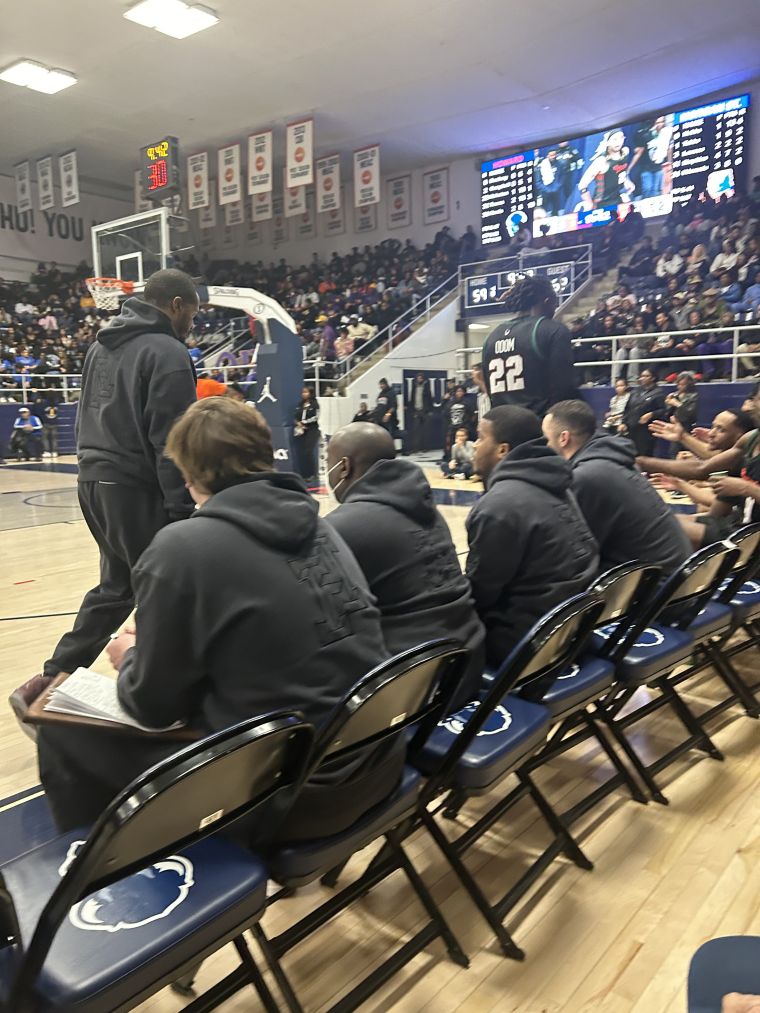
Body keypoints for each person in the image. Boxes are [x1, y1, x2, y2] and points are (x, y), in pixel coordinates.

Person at [36, 398, 401, 837]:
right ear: (268, 454)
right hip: (376, 766)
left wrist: (131, 654)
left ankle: (105, 883)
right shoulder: (323, 527)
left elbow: (150, 707)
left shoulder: (182, 547)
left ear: (188, 474)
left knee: (52, 717)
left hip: (286, 798)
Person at [12, 270, 199, 714]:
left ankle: (50, 678)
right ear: (175, 305)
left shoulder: (101, 344)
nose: (192, 324)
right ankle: (162, 694)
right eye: (191, 313)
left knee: (116, 587)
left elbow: (85, 418)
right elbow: (171, 440)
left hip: (92, 482)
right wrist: (181, 511)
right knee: (169, 587)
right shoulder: (168, 351)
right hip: (136, 487)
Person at [325, 421, 485, 707]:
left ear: (344, 467)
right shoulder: (425, 506)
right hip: (467, 658)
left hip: (417, 686)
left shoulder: (343, 526)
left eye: (329, 462)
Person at [465, 405, 598, 665]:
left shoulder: (500, 505)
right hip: (575, 631)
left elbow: (481, 593)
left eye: (480, 438)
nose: (474, 445)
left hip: (529, 644)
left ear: (502, 450)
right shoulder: (559, 484)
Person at [543, 400, 690, 574]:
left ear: (563, 438)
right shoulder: (612, 458)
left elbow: (575, 553)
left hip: (655, 587)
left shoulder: (587, 475)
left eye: (547, 439)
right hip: (675, 576)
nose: (546, 446)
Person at [482, 275, 579, 416]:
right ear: (548, 301)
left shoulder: (491, 337)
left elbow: (489, 390)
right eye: (555, 304)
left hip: (501, 427)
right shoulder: (552, 329)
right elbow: (563, 387)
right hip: (538, 427)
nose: (555, 308)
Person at [621, 369, 668, 456]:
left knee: (644, 455)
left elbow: (663, 411)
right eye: (642, 376)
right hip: (631, 429)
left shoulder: (658, 393)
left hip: (646, 431)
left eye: (646, 376)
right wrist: (623, 422)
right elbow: (627, 409)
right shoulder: (635, 391)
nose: (643, 378)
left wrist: (651, 414)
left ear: (653, 378)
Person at [293, 385, 320, 482]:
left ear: (310, 393)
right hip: (301, 430)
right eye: (303, 392)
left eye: (306, 392)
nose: (304, 394)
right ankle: (304, 474)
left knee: (309, 451)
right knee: (303, 453)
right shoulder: (300, 404)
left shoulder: (315, 404)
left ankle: (313, 474)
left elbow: (316, 417)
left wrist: (305, 422)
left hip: (312, 430)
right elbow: (295, 416)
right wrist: (298, 423)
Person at [405, 372, 433, 452]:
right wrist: (412, 411)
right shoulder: (414, 387)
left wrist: (430, 410)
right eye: (418, 378)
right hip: (417, 410)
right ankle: (416, 448)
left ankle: (426, 447)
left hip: (425, 411)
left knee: (426, 430)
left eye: (421, 378)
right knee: (416, 430)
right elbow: (412, 399)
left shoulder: (426, 388)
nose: (419, 379)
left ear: (423, 379)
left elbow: (430, 399)